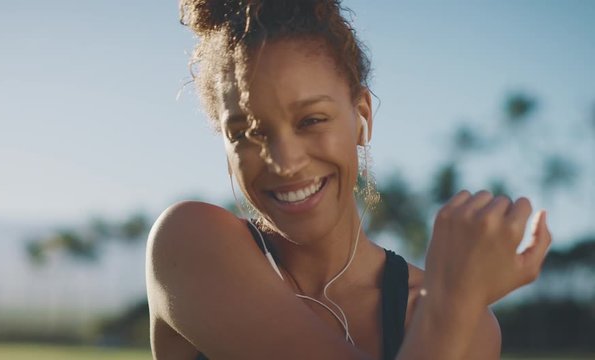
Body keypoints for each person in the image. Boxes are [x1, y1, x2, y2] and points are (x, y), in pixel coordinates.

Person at [145, 1, 552, 359]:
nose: (285, 163)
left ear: (362, 116)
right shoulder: (189, 244)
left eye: (311, 121)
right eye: (247, 134)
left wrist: (454, 308)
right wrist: (450, 310)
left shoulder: (467, 325)